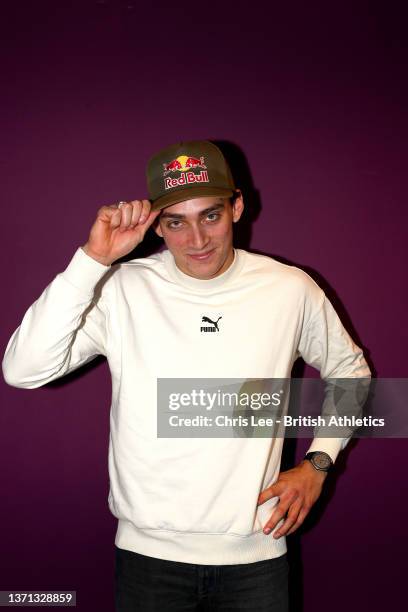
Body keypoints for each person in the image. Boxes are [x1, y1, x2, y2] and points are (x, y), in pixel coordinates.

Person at [2, 140, 371, 611]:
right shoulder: (122, 288)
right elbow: (23, 370)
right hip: (147, 560)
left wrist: (319, 463)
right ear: (156, 224)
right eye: (176, 221)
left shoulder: (289, 289)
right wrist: (92, 261)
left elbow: (351, 370)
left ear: (236, 206)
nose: (196, 241)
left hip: (255, 556)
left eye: (210, 216)